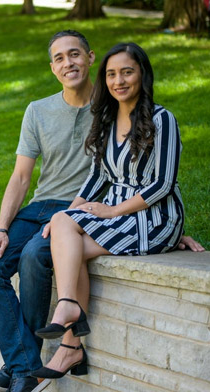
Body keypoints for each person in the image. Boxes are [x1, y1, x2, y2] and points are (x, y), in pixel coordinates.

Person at [0, 32, 203, 392]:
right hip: (67, 209)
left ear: (91, 58)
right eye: (60, 58)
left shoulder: (137, 112)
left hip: (122, 212)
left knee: (38, 253)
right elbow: (42, 177)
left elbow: (160, 183)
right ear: (52, 67)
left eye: (75, 55)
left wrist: (122, 216)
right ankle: (35, 358)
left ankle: (44, 356)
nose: (119, 81)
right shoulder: (61, 113)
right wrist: (6, 227)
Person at [31, 42, 197, 380]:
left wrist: (112, 212)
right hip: (119, 213)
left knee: (68, 246)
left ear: (142, 75)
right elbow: (96, 178)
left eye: (127, 72)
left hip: (155, 215)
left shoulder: (162, 120)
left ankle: (69, 337)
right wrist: (66, 216)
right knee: (63, 230)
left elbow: (163, 184)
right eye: (111, 74)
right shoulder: (106, 120)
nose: (118, 80)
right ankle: (70, 331)